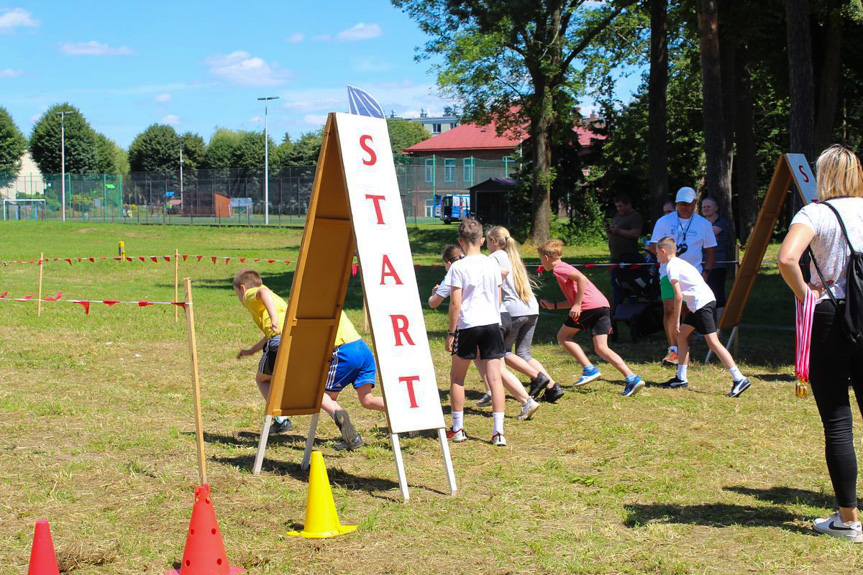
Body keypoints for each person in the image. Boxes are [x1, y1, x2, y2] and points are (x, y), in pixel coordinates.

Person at [777, 144, 863, 543]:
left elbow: (786, 258)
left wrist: (804, 294)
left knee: (838, 421)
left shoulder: (815, 212)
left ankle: (848, 519)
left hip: (830, 316)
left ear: (823, 175)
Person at [430, 245, 540, 421]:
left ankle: (526, 400)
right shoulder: (483, 263)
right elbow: (503, 272)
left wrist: (435, 292)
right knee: (482, 360)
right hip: (500, 315)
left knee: (495, 368)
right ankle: (495, 394)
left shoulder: (455, 271)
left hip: (480, 321)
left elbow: (434, 303)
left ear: (448, 262)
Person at [537, 239, 646, 397]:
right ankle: (632, 378)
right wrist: (554, 305)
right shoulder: (564, 267)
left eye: (541, 258)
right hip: (601, 305)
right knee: (602, 348)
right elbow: (573, 299)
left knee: (563, 336)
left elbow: (581, 280)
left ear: (546, 257)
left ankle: (589, 369)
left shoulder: (559, 268)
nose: (541, 262)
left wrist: (578, 304)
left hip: (589, 306)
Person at [654, 237, 750, 397]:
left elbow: (677, 296)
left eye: (657, 253)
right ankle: (681, 378)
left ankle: (739, 378)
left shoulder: (671, 266)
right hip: (700, 304)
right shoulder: (680, 263)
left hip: (701, 304)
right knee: (681, 336)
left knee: (713, 342)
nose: (657, 257)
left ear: (664, 251)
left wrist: (676, 320)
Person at [445, 219, 510, 446]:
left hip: (467, 325)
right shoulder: (493, 264)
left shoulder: (458, 267)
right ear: (482, 240)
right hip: (492, 324)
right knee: (495, 379)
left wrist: (451, 333)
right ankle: (498, 432)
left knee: (457, 378)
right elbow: (498, 296)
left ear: (460, 242)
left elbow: (455, 304)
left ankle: (458, 428)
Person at [486, 226, 563, 403]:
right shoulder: (514, 258)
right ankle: (552, 387)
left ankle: (537, 377)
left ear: (494, 241)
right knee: (523, 352)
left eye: (488, 241)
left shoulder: (494, 258)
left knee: (502, 352)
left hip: (513, 311)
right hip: (531, 308)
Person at [649, 187, 717, 365]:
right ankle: (673, 349)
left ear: (695, 203)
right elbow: (653, 244)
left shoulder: (703, 224)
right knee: (670, 309)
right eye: (680, 204)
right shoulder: (664, 221)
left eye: (687, 204)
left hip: (692, 275)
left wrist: (706, 272)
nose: (683, 207)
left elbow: (711, 250)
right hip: (667, 272)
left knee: (688, 311)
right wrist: (667, 257)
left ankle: (684, 348)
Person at [233, 268, 293, 435]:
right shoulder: (274, 300)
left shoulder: (251, 294)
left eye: (237, 293)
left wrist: (273, 319)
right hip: (293, 338)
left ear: (242, 288)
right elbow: (270, 334)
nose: (239, 298)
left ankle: (282, 419)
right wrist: (252, 350)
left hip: (278, 341)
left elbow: (263, 290)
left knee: (262, 380)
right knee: (276, 378)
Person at [318, 310, 386, 450]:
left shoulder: (318, 308)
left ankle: (351, 435)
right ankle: (406, 415)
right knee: (367, 400)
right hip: (362, 349)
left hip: (345, 351)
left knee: (318, 395)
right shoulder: (336, 304)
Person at [605, 193, 644, 312]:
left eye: (621, 206)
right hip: (615, 256)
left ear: (628, 205)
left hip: (628, 257)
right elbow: (614, 232)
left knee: (630, 283)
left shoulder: (635, 216)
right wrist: (610, 231)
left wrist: (618, 231)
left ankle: (633, 308)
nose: (619, 209)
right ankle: (617, 308)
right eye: (617, 206)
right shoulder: (617, 216)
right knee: (615, 282)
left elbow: (635, 233)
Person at [701, 197, 729, 323]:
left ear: (716, 208)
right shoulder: (700, 223)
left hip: (718, 264)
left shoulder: (721, 222)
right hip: (700, 264)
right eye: (704, 207)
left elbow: (705, 236)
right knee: (702, 295)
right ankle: (705, 325)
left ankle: (719, 327)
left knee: (718, 294)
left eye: (709, 206)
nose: (706, 209)